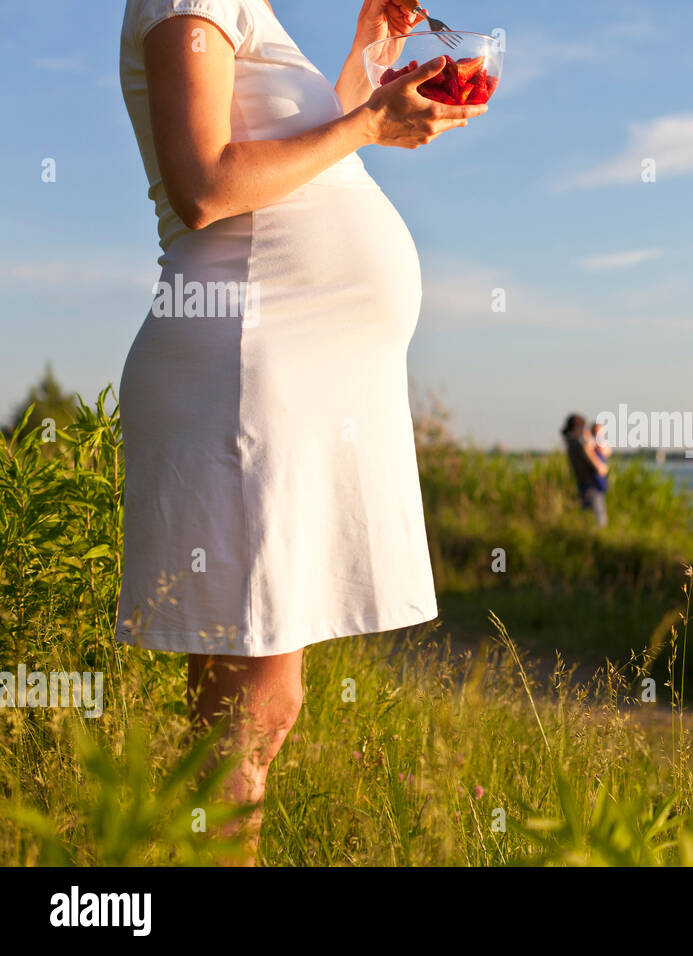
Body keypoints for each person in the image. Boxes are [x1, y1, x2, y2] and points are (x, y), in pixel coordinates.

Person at [113, 0, 487, 863]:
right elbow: (205, 184)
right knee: (243, 721)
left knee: (259, 711)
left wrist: (365, 68)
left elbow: (292, 165)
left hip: (281, 378)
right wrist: (364, 121)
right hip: (243, 377)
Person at [561, 413, 608, 527]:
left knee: (586, 516)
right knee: (599, 518)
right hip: (592, 485)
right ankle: (597, 540)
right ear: (578, 427)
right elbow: (600, 468)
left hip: (582, 484)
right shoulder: (582, 446)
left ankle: (585, 537)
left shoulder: (570, 444)